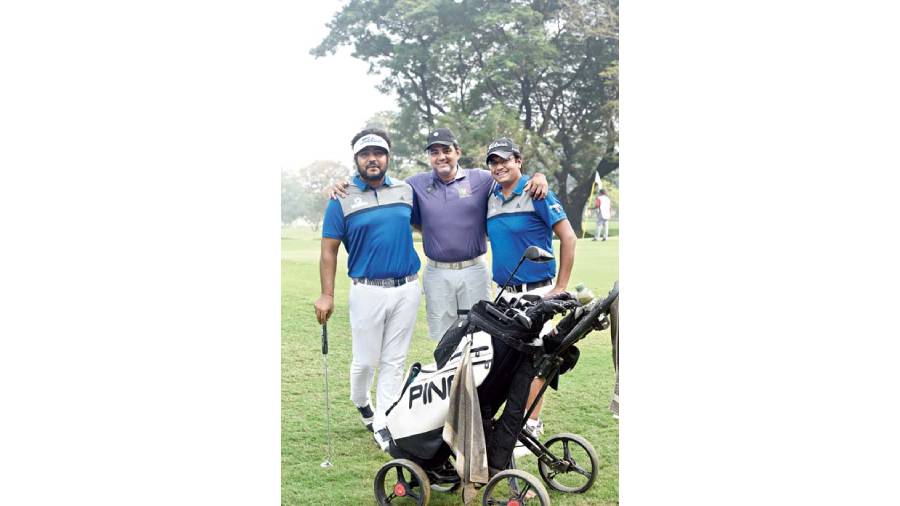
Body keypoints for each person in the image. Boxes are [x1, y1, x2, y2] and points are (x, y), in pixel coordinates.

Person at [332, 127, 548, 342]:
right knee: (443, 337)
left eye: (446, 150)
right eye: (434, 152)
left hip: (474, 269)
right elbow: (384, 189)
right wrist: (345, 184)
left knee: (482, 335)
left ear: (458, 152)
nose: (441, 157)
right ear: (429, 157)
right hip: (437, 273)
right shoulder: (414, 184)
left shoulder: (481, 179)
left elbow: (509, 177)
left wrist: (538, 176)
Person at [314, 128, 421, 452]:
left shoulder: (405, 191)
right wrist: (327, 294)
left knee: (394, 361)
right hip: (366, 291)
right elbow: (329, 250)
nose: (372, 159)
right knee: (365, 362)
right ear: (356, 159)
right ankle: (361, 401)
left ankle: (384, 421)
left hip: (407, 288)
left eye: (378, 153)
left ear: (388, 157)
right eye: (365, 154)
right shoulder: (341, 197)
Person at [483, 137, 577, 455]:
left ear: (518, 160)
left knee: (537, 359)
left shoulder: (536, 191)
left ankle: (533, 423)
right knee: (510, 359)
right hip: (505, 294)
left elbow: (568, 237)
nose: (499, 166)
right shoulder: (491, 196)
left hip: (538, 291)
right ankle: (514, 421)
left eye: (505, 160)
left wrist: (560, 287)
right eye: (493, 162)